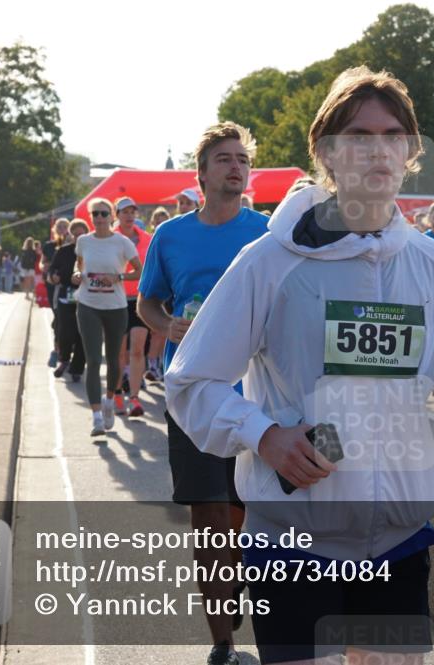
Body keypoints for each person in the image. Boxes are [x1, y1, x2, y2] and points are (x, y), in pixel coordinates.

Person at [165, 67, 434, 664]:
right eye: (359, 134)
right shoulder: (270, 262)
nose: (377, 148)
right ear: (328, 152)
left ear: (410, 152)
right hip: (293, 545)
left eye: (393, 135)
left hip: (398, 547)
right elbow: (191, 382)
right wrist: (265, 436)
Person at [138, 121, 270, 665]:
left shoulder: (266, 232)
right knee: (208, 516)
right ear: (202, 173)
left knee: (243, 512)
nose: (236, 167)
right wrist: (166, 324)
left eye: (242, 159)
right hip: (192, 392)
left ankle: (233, 575)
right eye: (224, 159)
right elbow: (148, 303)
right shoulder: (171, 236)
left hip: (257, 395)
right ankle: (222, 643)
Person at [73, 198, 141, 436]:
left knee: (113, 359)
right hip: (88, 304)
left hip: (115, 306)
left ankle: (110, 400)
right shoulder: (83, 241)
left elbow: (139, 270)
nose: (100, 218)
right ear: (91, 217)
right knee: (93, 360)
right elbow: (79, 264)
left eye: (104, 214)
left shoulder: (122, 243)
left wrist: (119, 278)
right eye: (96, 214)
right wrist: (76, 274)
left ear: (112, 216)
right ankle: (96, 418)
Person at [111, 196, 153, 418]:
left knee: (137, 349)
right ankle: (118, 393)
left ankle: (134, 398)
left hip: (140, 299)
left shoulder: (147, 239)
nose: (129, 215)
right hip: (115, 300)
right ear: (117, 215)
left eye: (132, 211)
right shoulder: (109, 238)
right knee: (119, 353)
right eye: (124, 212)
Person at [48, 220, 88, 382]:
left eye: (82, 234)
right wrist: (54, 276)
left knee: (83, 334)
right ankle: (64, 360)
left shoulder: (92, 250)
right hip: (66, 296)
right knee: (65, 331)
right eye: (76, 234)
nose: (79, 237)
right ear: (71, 235)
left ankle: (77, 368)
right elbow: (53, 268)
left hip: (87, 297)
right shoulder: (64, 251)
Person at [44, 218, 71, 368]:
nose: (62, 229)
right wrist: (47, 267)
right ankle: (57, 351)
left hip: (70, 285)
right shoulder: (49, 246)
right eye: (59, 226)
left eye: (65, 226)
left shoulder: (73, 246)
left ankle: (64, 351)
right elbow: (44, 262)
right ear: (55, 229)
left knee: (67, 319)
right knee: (58, 317)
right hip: (53, 286)